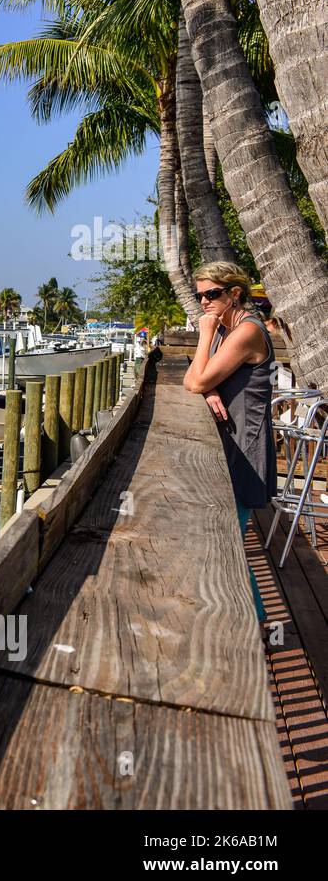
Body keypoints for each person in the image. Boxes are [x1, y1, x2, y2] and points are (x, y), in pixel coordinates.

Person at [182, 262, 278, 623]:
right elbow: (195, 381)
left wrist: (204, 336)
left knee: (228, 547)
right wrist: (210, 391)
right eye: (200, 295)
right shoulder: (228, 328)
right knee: (224, 542)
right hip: (229, 446)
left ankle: (256, 624)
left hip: (246, 450)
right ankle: (254, 620)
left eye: (212, 294)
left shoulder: (246, 332)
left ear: (234, 293)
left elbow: (195, 379)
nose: (204, 302)